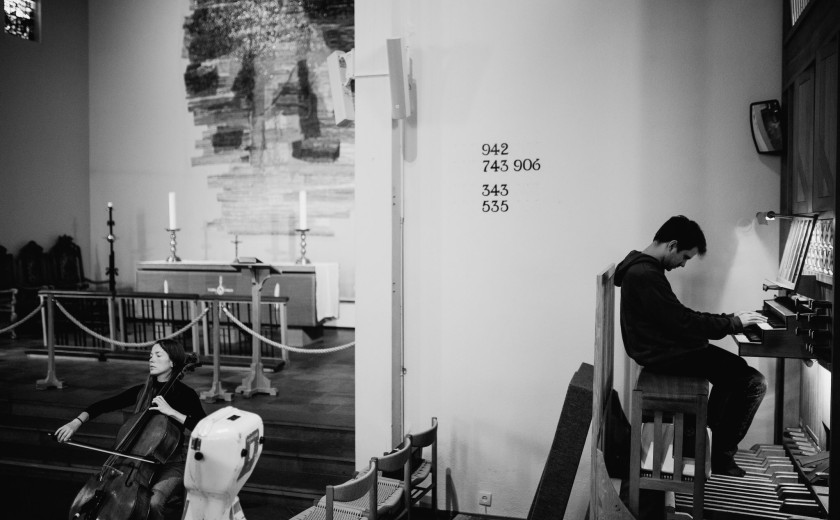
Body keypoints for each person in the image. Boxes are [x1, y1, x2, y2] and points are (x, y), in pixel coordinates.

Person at [614, 215, 768, 477]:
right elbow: (682, 321)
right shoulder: (645, 274)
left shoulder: (643, 269)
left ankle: (709, 446)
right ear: (672, 245)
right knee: (753, 382)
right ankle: (717, 453)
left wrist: (729, 320)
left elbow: (677, 317)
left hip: (663, 349)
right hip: (663, 354)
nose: (684, 264)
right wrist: (731, 323)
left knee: (736, 372)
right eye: (685, 257)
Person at [55, 339, 207, 520]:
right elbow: (105, 405)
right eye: (150, 355)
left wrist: (172, 412)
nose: (151, 359)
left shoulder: (186, 394)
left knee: (153, 503)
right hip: (136, 464)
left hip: (172, 462)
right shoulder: (144, 391)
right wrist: (76, 422)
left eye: (158, 355)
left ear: (172, 362)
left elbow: (204, 426)